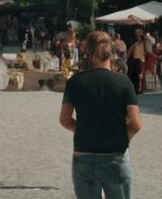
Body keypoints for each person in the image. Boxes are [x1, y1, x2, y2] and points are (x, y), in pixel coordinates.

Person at [59, 30, 142, 199]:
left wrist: (84, 130)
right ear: (110, 53)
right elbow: (136, 124)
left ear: (87, 53)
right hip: (115, 154)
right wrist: (123, 137)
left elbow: (65, 120)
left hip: (84, 152)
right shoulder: (123, 82)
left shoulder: (75, 82)